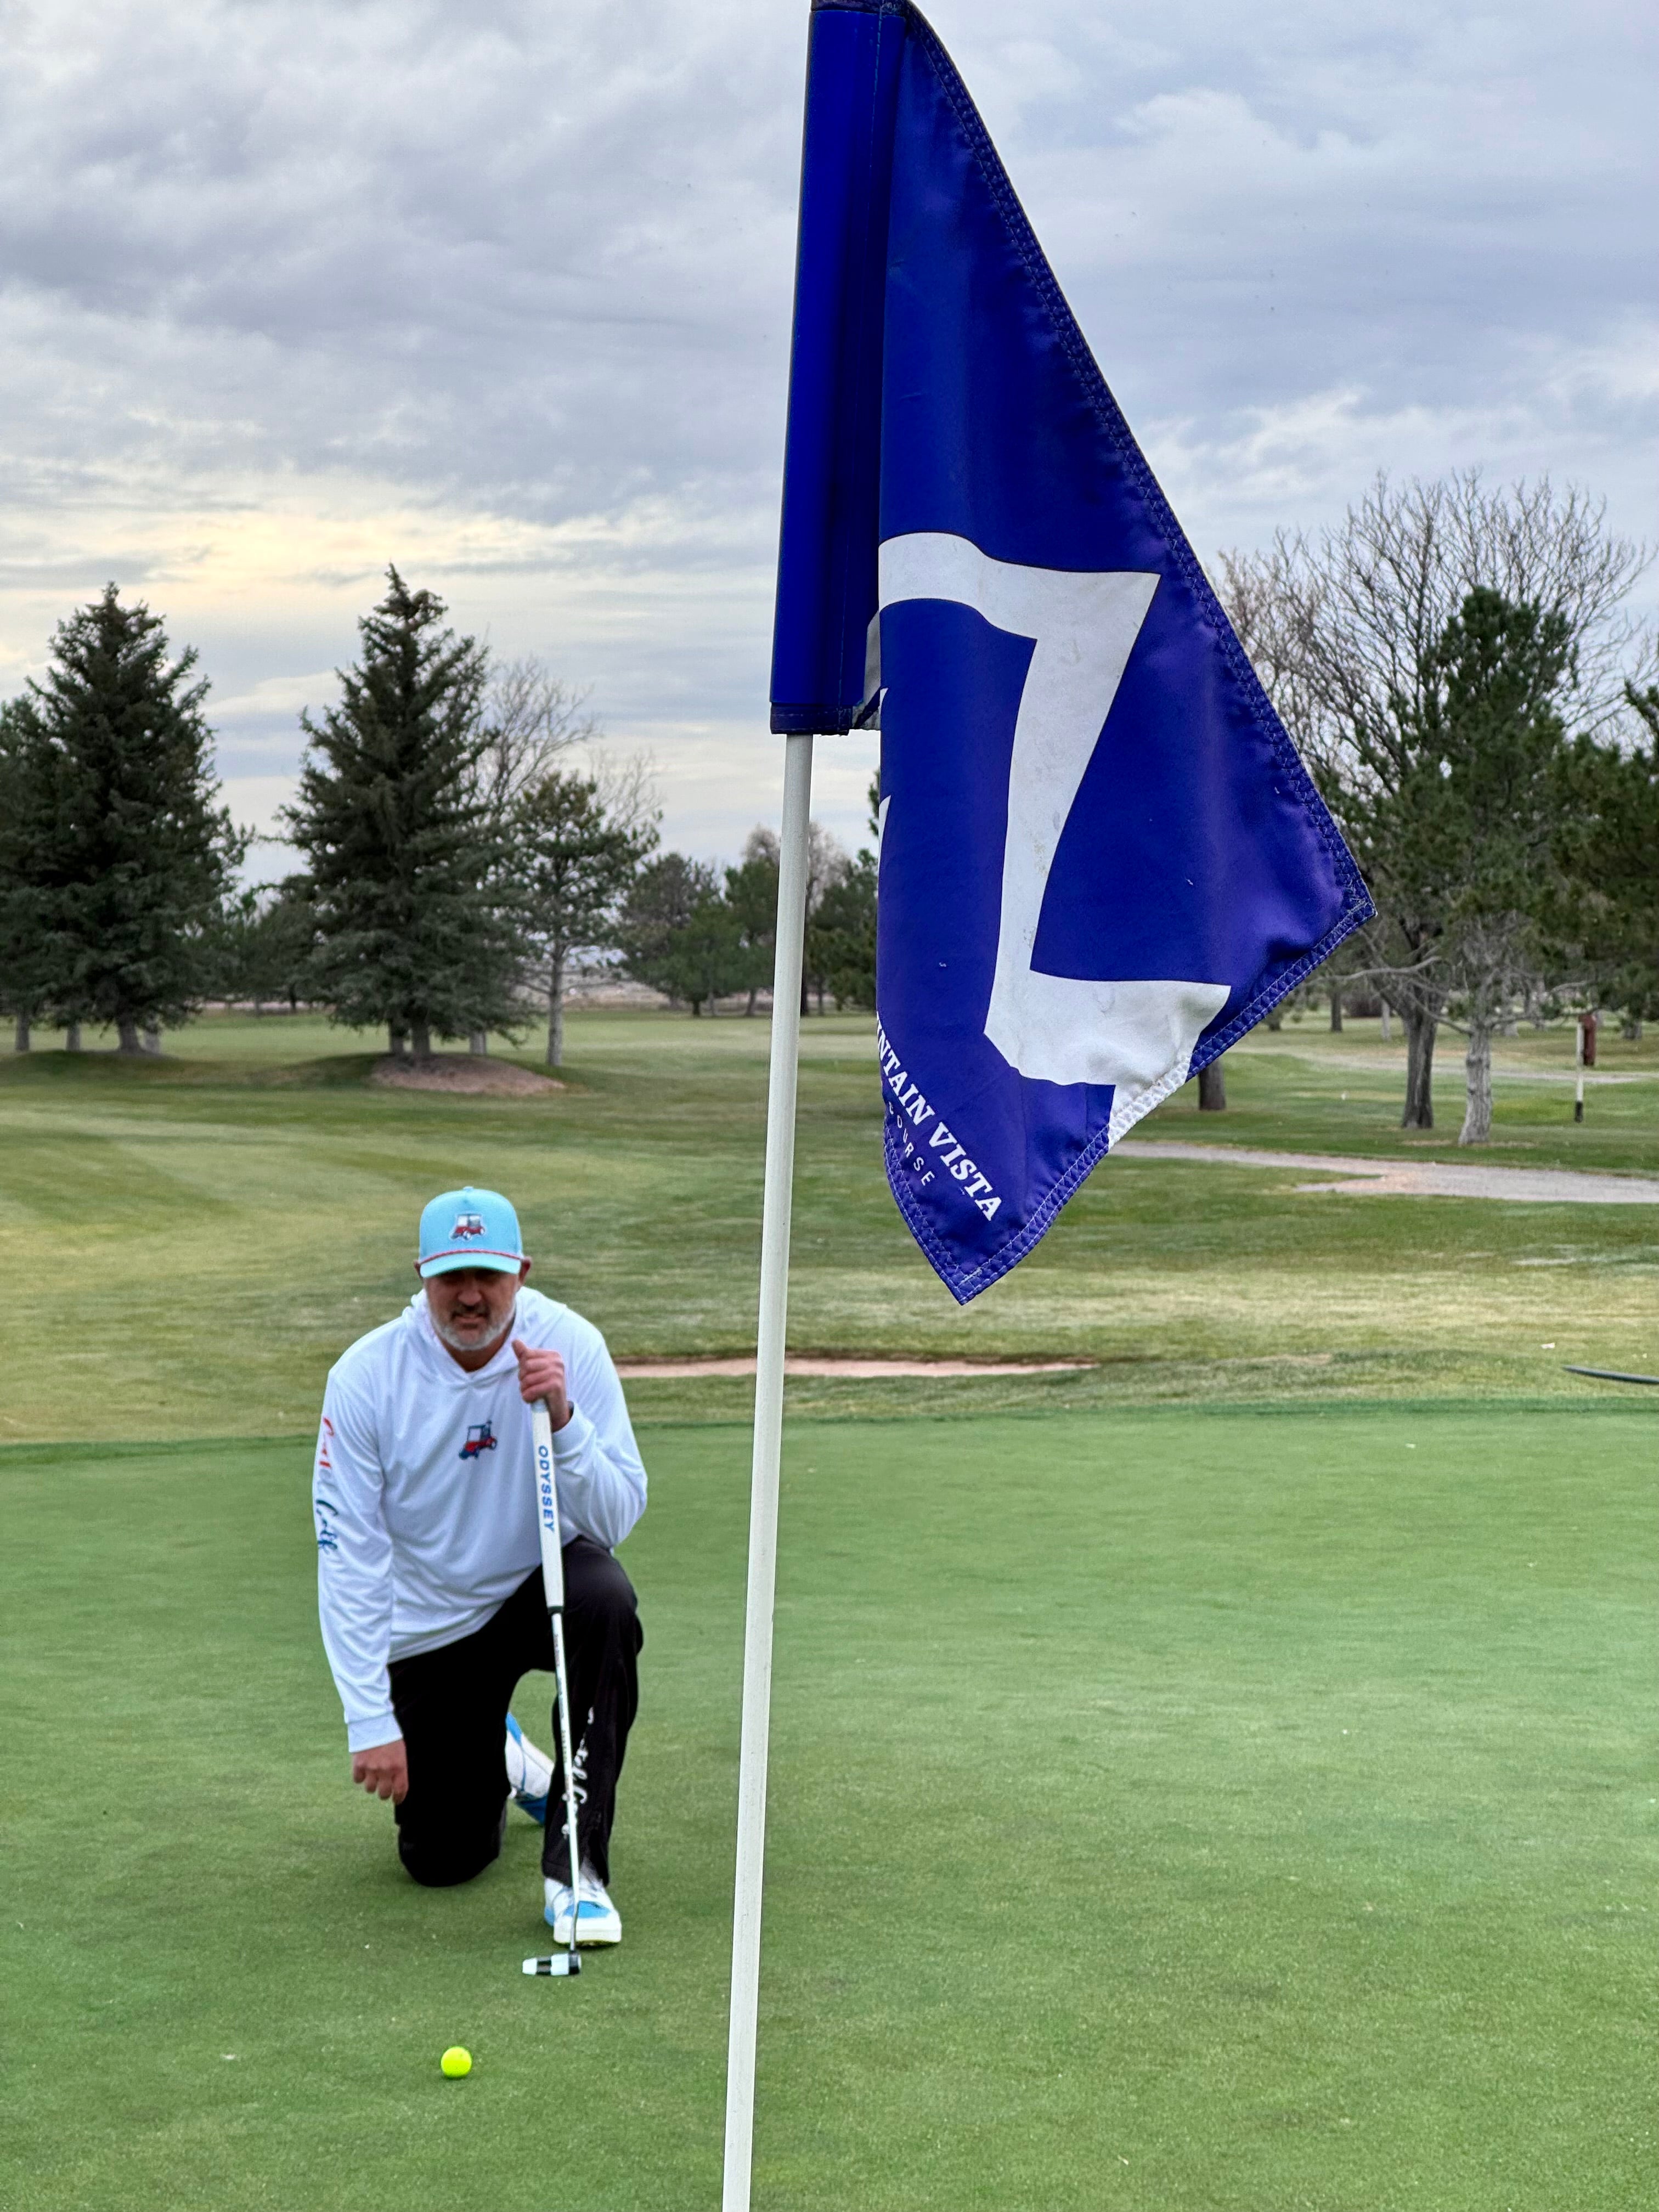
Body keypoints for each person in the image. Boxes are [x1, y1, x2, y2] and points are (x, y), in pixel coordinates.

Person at [312, 1183, 646, 1945]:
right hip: (432, 1625)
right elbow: (348, 1555)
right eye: (451, 1278)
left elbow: (617, 1516)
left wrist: (564, 1423)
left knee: (608, 1598)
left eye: (487, 1276)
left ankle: (578, 1874)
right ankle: (504, 1757)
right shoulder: (367, 1378)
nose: (470, 1296)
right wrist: (369, 1716)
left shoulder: (572, 1346)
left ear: (520, 1274)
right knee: (442, 1860)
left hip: (545, 1589)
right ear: (423, 1277)